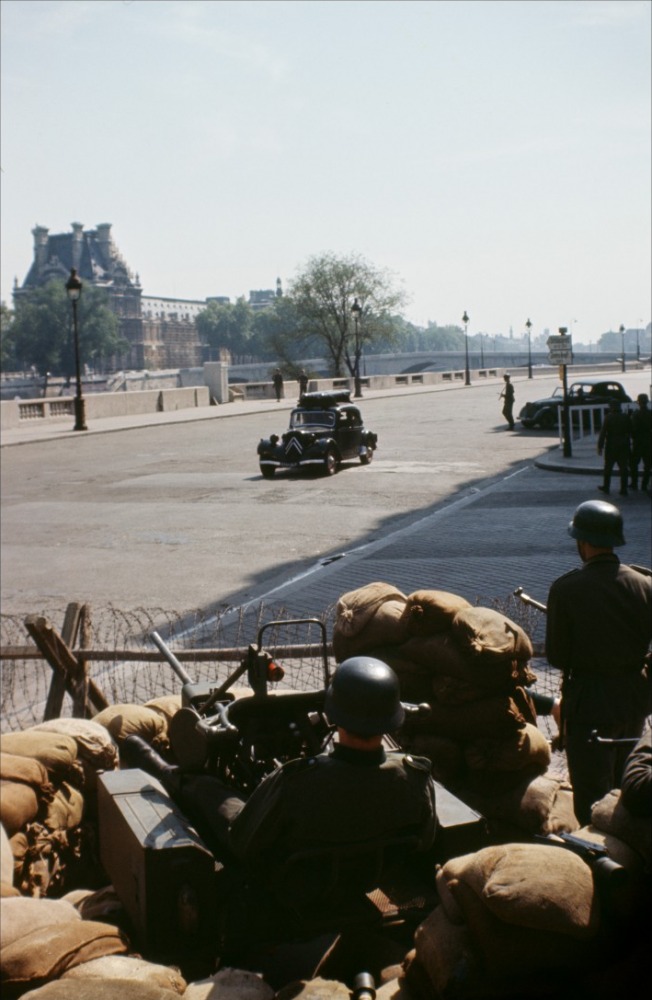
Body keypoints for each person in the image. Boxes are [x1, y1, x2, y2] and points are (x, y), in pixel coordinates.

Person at [545, 500, 652, 825]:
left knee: (591, 799)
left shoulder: (567, 589)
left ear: (583, 541)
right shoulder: (645, 584)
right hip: (634, 700)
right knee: (627, 789)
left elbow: (557, 656)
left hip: (589, 703)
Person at [597, 399, 631, 496]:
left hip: (611, 445)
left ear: (611, 407)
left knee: (608, 467)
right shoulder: (626, 417)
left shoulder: (608, 417)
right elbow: (631, 431)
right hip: (624, 445)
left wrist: (600, 446)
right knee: (623, 468)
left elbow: (603, 433)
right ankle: (623, 489)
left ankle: (606, 487)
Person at [629, 393, 651, 493]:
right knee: (648, 465)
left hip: (638, 442)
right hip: (648, 442)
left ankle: (634, 483)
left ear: (638, 402)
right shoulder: (650, 413)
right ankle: (644, 485)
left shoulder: (635, 414)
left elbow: (632, 429)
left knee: (633, 464)